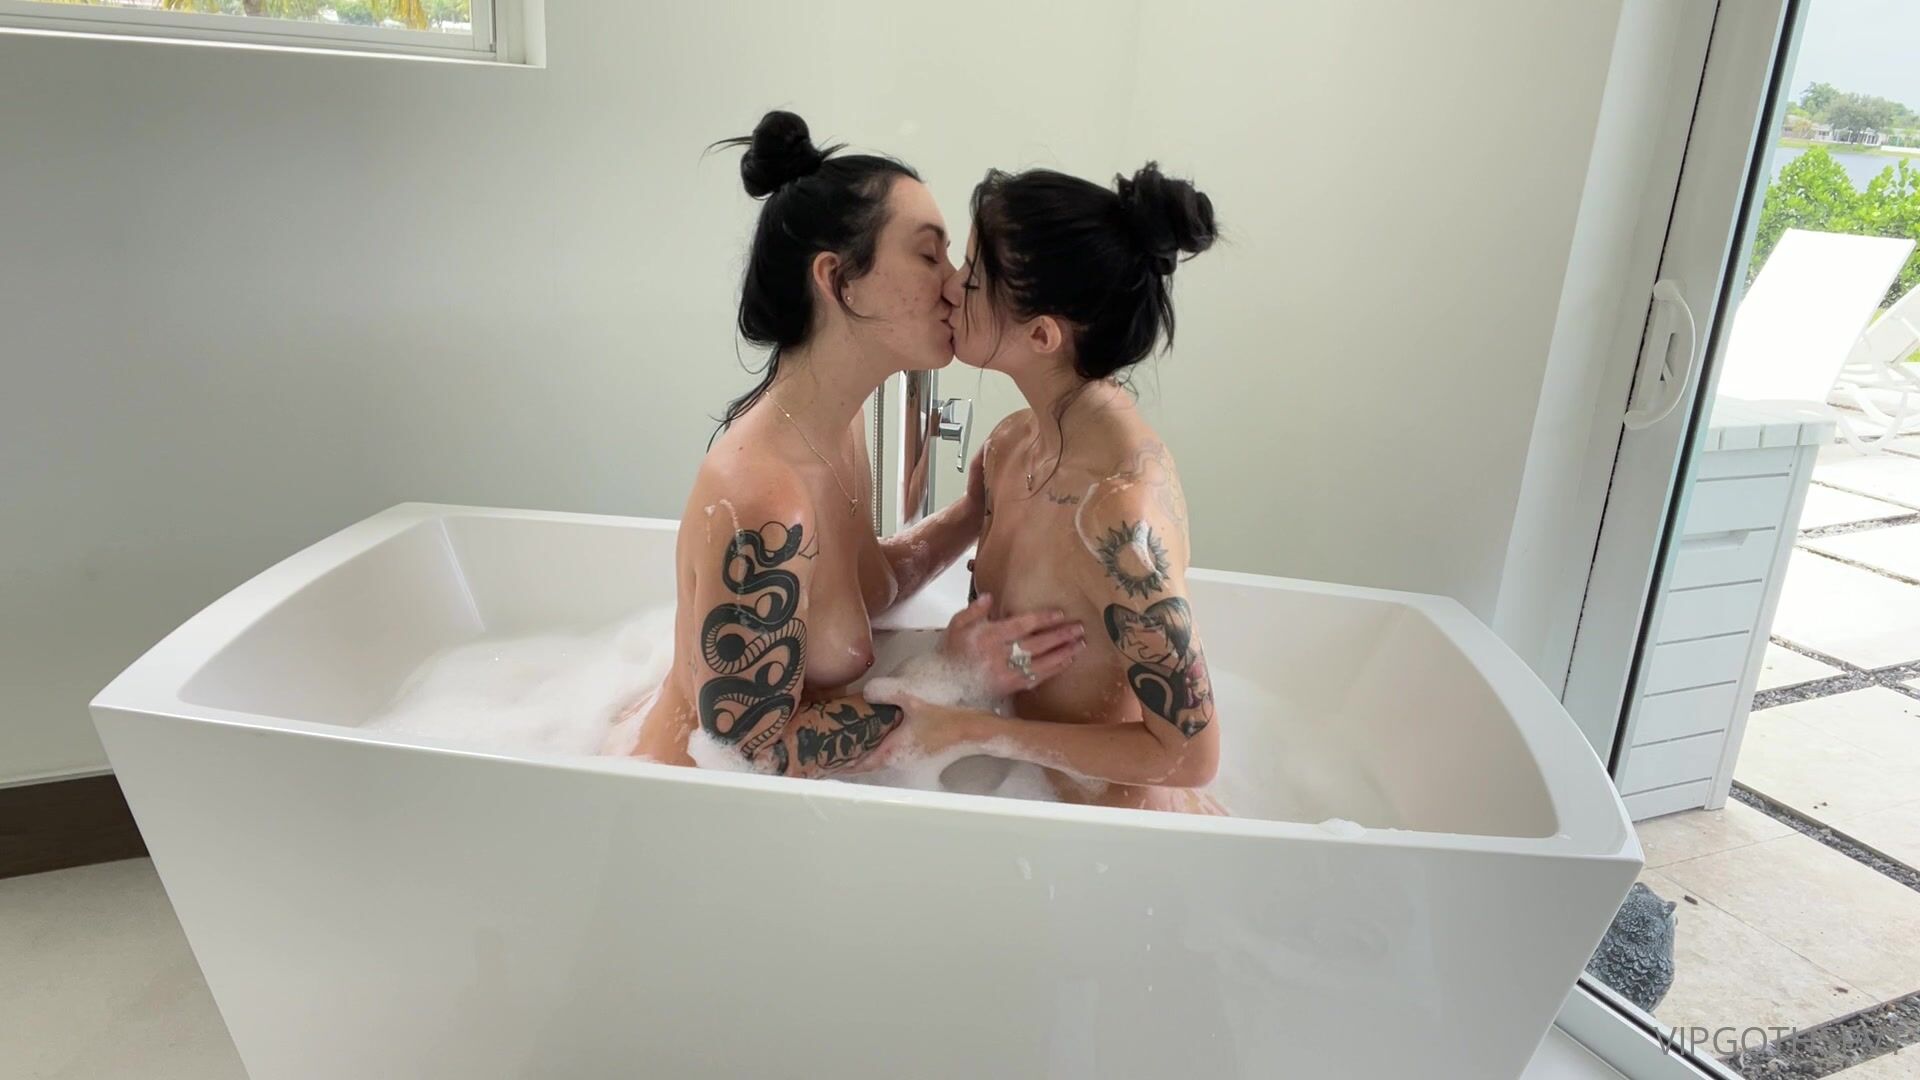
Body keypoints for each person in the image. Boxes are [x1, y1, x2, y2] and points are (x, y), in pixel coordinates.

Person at [627, 112, 1083, 776]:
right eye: (928, 255)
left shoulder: (838, 431)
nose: (955, 282)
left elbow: (861, 589)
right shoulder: (763, 499)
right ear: (838, 279)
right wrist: (957, 677)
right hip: (682, 799)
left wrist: (972, 512)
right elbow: (749, 756)